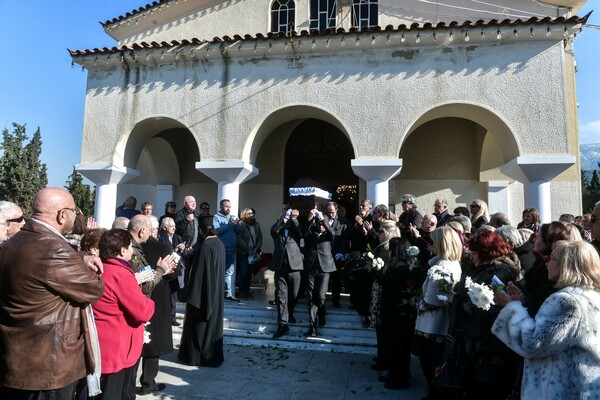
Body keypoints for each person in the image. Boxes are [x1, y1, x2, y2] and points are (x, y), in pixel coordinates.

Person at [0, 188, 105, 400]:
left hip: (17, 358)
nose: (76, 216)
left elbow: (47, 264)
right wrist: (84, 261)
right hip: (49, 365)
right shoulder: (53, 250)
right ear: (62, 214)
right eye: (74, 211)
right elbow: (94, 288)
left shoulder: (14, 242)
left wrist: (80, 256)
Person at [492, 241, 600, 400]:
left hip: (564, 390)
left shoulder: (566, 301)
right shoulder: (590, 295)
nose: (546, 263)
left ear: (566, 265)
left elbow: (532, 343)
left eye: (551, 259)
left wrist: (511, 307)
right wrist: (520, 306)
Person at [453, 231, 522, 400]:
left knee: (487, 387)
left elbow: (490, 306)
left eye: (475, 253)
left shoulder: (501, 271)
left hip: (489, 342)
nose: (472, 257)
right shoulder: (477, 267)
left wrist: (466, 305)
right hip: (473, 338)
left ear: (486, 253)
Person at [93, 228, 155, 400]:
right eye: (130, 247)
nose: (132, 250)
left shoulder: (99, 268)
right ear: (122, 250)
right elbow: (143, 311)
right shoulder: (120, 274)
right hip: (117, 349)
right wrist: (150, 302)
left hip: (100, 344)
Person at [413, 226, 463, 399]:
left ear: (442, 244)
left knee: (431, 364)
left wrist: (417, 303)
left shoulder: (442, 267)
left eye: (433, 242)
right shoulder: (448, 263)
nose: (430, 245)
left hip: (433, 326)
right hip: (436, 324)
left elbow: (432, 301)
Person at [137, 215, 180, 396]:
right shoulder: (162, 247)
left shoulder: (130, 247)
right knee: (152, 343)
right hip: (157, 299)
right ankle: (148, 382)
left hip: (136, 297)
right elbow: (173, 272)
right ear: (152, 230)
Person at [377, 237, 423, 390]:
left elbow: (386, 281)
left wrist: (379, 273)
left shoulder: (403, 266)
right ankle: (393, 372)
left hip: (399, 312)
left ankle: (400, 377)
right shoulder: (397, 263)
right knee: (392, 344)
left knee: (399, 346)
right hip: (391, 310)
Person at [178, 224, 226, 367]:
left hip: (204, 295)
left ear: (201, 231)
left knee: (200, 327)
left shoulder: (206, 246)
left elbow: (200, 275)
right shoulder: (219, 243)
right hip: (215, 293)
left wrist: (193, 297)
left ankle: (197, 357)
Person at [269, 207, 304, 338]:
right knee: (281, 296)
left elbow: (302, 233)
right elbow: (273, 231)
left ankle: (290, 313)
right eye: (286, 214)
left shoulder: (296, 228)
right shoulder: (278, 228)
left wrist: (294, 219)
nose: (288, 216)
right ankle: (283, 324)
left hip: (294, 266)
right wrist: (283, 219)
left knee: (293, 295)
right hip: (280, 266)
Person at [302, 208, 336, 337]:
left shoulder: (328, 235)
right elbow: (304, 233)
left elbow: (333, 233)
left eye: (322, 224)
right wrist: (310, 219)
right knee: (311, 297)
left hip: (324, 268)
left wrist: (323, 219)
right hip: (311, 267)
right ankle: (312, 326)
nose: (320, 225)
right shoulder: (311, 234)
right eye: (319, 223)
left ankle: (322, 312)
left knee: (320, 296)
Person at [158, 217, 186, 326]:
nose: (174, 228)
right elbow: (163, 251)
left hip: (175, 271)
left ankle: (172, 317)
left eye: (174, 226)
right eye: (171, 226)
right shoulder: (160, 236)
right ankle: (163, 316)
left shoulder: (177, 237)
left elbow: (182, 253)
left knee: (173, 295)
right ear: (164, 227)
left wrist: (182, 248)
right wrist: (175, 250)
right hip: (164, 269)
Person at [213, 199, 243, 301]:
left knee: (229, 272)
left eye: (229, 206)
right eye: (226, 206)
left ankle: (228, 293)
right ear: (221, 206)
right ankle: (217, 293)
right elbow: (215, 231)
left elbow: (240, 232)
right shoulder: (216, 217)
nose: (228, 208)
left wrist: (237, 225)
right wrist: (229, 225)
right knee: (219, 271)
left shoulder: (231, 217)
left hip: (232, 249)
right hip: (221, 249)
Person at [236, 207, 263, 299]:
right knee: (243, 271)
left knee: (250, 272)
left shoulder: (256, 224)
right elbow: (238, 238)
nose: (252, 215)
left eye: (252, 213)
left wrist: (257, 247)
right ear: (245, 214)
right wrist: (247, 248)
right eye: (250, 213)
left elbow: (260, 237)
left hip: (253, 252)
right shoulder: (241, 224)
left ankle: (247, 291)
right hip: (243, 252)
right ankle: (241, 291)